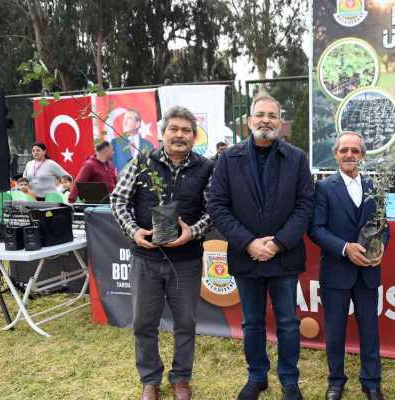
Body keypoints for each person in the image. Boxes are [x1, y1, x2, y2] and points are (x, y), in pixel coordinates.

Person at [208, 94, 313, 400]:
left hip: (284, 256)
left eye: (272, 115)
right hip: (246, 256)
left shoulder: (296, 158)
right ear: (249, 120)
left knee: (288, 323)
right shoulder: (229, 159)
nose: (266, 120)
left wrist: (279, 242)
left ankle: (289, 381)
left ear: (280, 122)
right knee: (252, 322)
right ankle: (257, 377)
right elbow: (218, 205)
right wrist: (249, 242)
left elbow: (305, 205)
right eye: (260, 114)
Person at [110, 106, 214, 400]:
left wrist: (191, 233)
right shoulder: (142, 161)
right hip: (146, 259)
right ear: (162, 133)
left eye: (186, 130)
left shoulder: (206, 168)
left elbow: (214, 210)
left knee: (185, 323)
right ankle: (150, 380)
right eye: (174, 129)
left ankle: (181, 378)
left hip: (187, 261)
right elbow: (118, 199)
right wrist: (134, 231)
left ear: (194, 136)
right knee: (144, 323)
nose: (180, 135)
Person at [308, 131, 389, 400]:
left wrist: (382, 246)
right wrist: (345, 248)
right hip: (336, 272)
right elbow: (316, 229)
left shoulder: (374, 188)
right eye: (344, 150)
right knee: (335, 330)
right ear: (336, 154)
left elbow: (383, 226)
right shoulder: (323, 188)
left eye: (355, 151)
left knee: (370, 329)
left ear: (362, 156)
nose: (349, 155)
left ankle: (371, 380)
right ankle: (335, 380)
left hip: (368, 271)